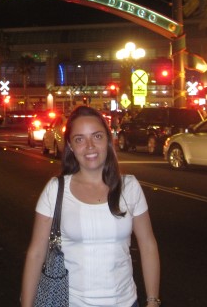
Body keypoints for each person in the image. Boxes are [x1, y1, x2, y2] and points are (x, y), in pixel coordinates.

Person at [21, 106, 161, 307]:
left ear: (108, 139)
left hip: (126, 302)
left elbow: (148, 245)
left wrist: (153, 300)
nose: (89, 146)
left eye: (97, 136)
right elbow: (36, 253)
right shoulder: (56, 190)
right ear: (70, 145)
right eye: (79, 139)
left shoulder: (129, 187)